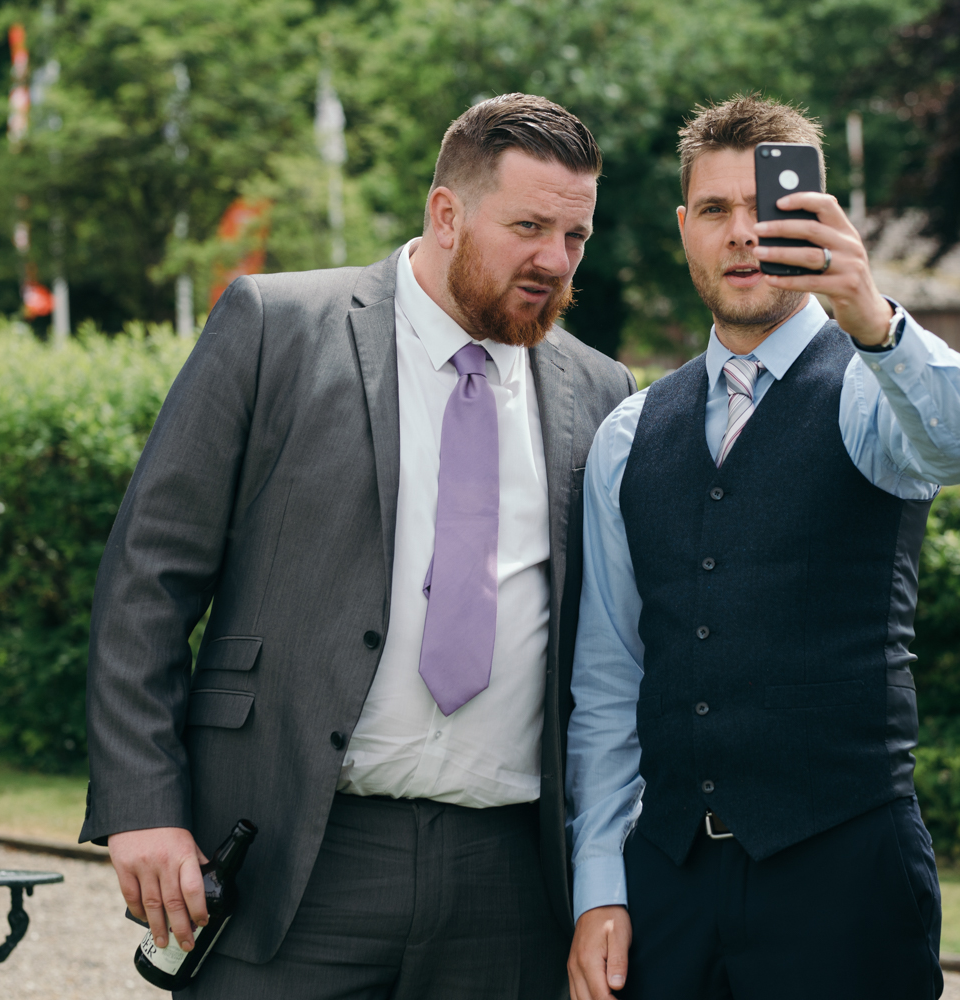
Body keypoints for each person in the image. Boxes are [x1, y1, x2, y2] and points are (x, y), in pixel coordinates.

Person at [81, 93, 637, 999]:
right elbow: (148, 578)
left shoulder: (603, 390)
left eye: (575, 237)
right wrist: (142, 806)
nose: (555, 260)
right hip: (292, 860)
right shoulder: (276, 327)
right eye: (529, 226)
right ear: (446, 213)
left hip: (510, 883)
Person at [564, 95, 960, 1000]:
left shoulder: (872, 389)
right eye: (717, 210)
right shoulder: (629, 431)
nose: (743, 232)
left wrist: (870, 312)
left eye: (768, 206)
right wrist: (600, 884)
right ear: (686, 229)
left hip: (845, 873)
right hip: (668, 881)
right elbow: (609, 681)